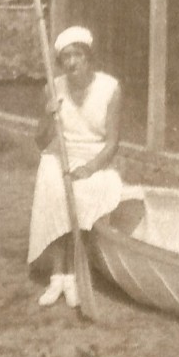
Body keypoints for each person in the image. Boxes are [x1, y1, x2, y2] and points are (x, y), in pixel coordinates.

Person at [27, 26, 123, 309]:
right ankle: (59, 275)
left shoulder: (110, 88)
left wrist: (90, 168)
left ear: (89, 57)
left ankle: (73, 273)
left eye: (77, 55)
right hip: (60, 156)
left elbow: (113, 143)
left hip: (95, 159)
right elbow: (40, 140)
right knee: (54, 187)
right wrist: (48, 116)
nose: (71, 62)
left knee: (86, 191)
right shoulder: (53, 87)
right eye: (65, 57)